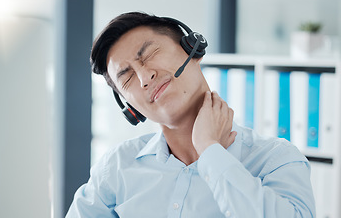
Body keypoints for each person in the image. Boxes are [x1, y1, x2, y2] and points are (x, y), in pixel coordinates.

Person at [66, 12, 315, 217]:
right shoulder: (116, 168)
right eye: (127, 76)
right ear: (129, 107)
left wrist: (210, 151)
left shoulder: (275, 159)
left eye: (150, 54)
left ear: (193, 48)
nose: (144, 77)